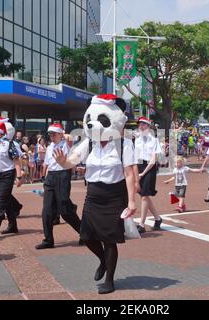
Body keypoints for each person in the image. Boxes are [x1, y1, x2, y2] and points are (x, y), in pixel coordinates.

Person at [54, 94, 138, 295]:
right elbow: (71, 162)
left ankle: (110, 279)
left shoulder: (123, 144)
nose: (94, 125)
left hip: (114, 195)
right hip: (93, 194)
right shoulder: (88, 143)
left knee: (110, 239)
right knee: (87, 235)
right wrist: (62, 162)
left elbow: (129, 175)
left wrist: (132, 202)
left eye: (101, 120)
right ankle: (102, 260)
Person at [35, 123, 81, 250]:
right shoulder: (49, 147)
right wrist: (45, 179)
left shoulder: (66, 144)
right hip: (51, 177)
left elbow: (71, 138)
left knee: (65, 211)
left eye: (54, 133)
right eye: (49, 133)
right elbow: (48, 165)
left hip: (63, 175)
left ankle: (84, 232)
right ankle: (48, 240)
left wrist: (62, 134)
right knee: (47, 210)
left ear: (60, 134)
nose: (51, 136)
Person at [134, 117, 163, 234]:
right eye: (140, 124)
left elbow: (153, 160)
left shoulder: (154, 140)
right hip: (139, 166)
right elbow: (135, 157)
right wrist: (136, 172)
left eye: (143, 124)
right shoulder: (137, 140)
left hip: (149, 168)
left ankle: (141, 224)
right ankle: (158, 218)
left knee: (145, 195)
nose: (141, 126)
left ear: (149, 126)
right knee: (143, 195)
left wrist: (143, 173)